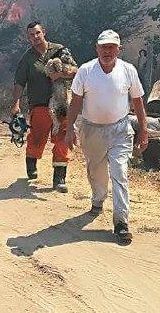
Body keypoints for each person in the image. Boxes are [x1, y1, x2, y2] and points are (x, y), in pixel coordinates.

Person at [64, 29, 148, 244]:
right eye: (103, 47)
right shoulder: (85, 71)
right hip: (92, 130)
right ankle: (98, 199)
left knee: (120, 172)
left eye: (111, 47)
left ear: (118, 50)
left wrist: (144, 130)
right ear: (97, 49)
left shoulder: (128, 70)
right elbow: (75, 101)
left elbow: (137, 101)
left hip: (120, 129)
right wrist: (69, 128)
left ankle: (121, 222)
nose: (107, 51)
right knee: (96, 171)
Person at [11, 21, 77, 192]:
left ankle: (59, 177)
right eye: (31, 35)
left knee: (62, 138)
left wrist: (61, 74)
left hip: (61, 102)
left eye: (37, 33)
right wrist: (15, 104)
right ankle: (31, 161)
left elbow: (76, 70)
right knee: (37, 138)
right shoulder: (27, 58)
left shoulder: (60, 51)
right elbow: (19, 82)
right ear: (28, 37)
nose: (35, 37)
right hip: (39, 103)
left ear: (44, 32)